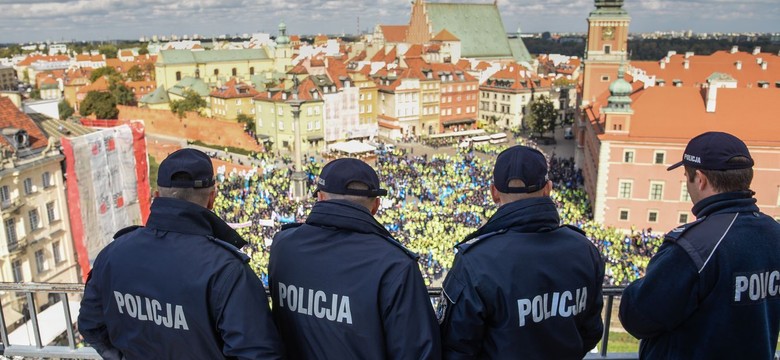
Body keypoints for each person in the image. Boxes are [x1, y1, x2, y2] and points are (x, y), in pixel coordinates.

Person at [78, 148, 283, 360]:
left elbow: (90, 324)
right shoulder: (227, 270)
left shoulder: (112, 254)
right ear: (212, 198)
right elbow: (257, 354)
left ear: (157, 196)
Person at [619, 131, 780, 359]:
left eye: (687, 177)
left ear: (701, 180)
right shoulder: (775, 233)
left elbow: (637, 317)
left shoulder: (696, 244)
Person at [438, 145, 605, 359]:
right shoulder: (585, 249)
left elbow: (455, 348)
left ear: (494, 193)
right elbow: (591, 332)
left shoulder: (476, 260)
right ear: (548, 189)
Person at [269, 157, 441, 359]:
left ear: (321, 198)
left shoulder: (282, 245)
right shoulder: (395, 264)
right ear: (376, 205)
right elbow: (418, 352)